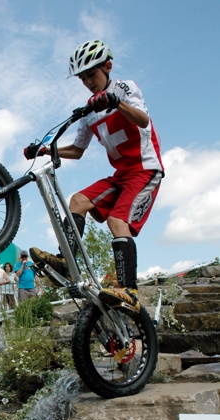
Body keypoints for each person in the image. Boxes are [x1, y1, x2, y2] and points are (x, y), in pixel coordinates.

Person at [30, 39, 164, 313]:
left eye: (92, 74)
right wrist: (44, 150)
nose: (88, 82)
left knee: (117, 220)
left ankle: (129, 289)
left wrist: (116, 102)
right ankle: (67, 262)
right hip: (120, 175)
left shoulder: (125, 88)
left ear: (108, 67)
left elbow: (142, 120)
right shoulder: (90, 111)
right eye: (83, 79)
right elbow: (77, 151)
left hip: (145, 170)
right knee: (78, 200)